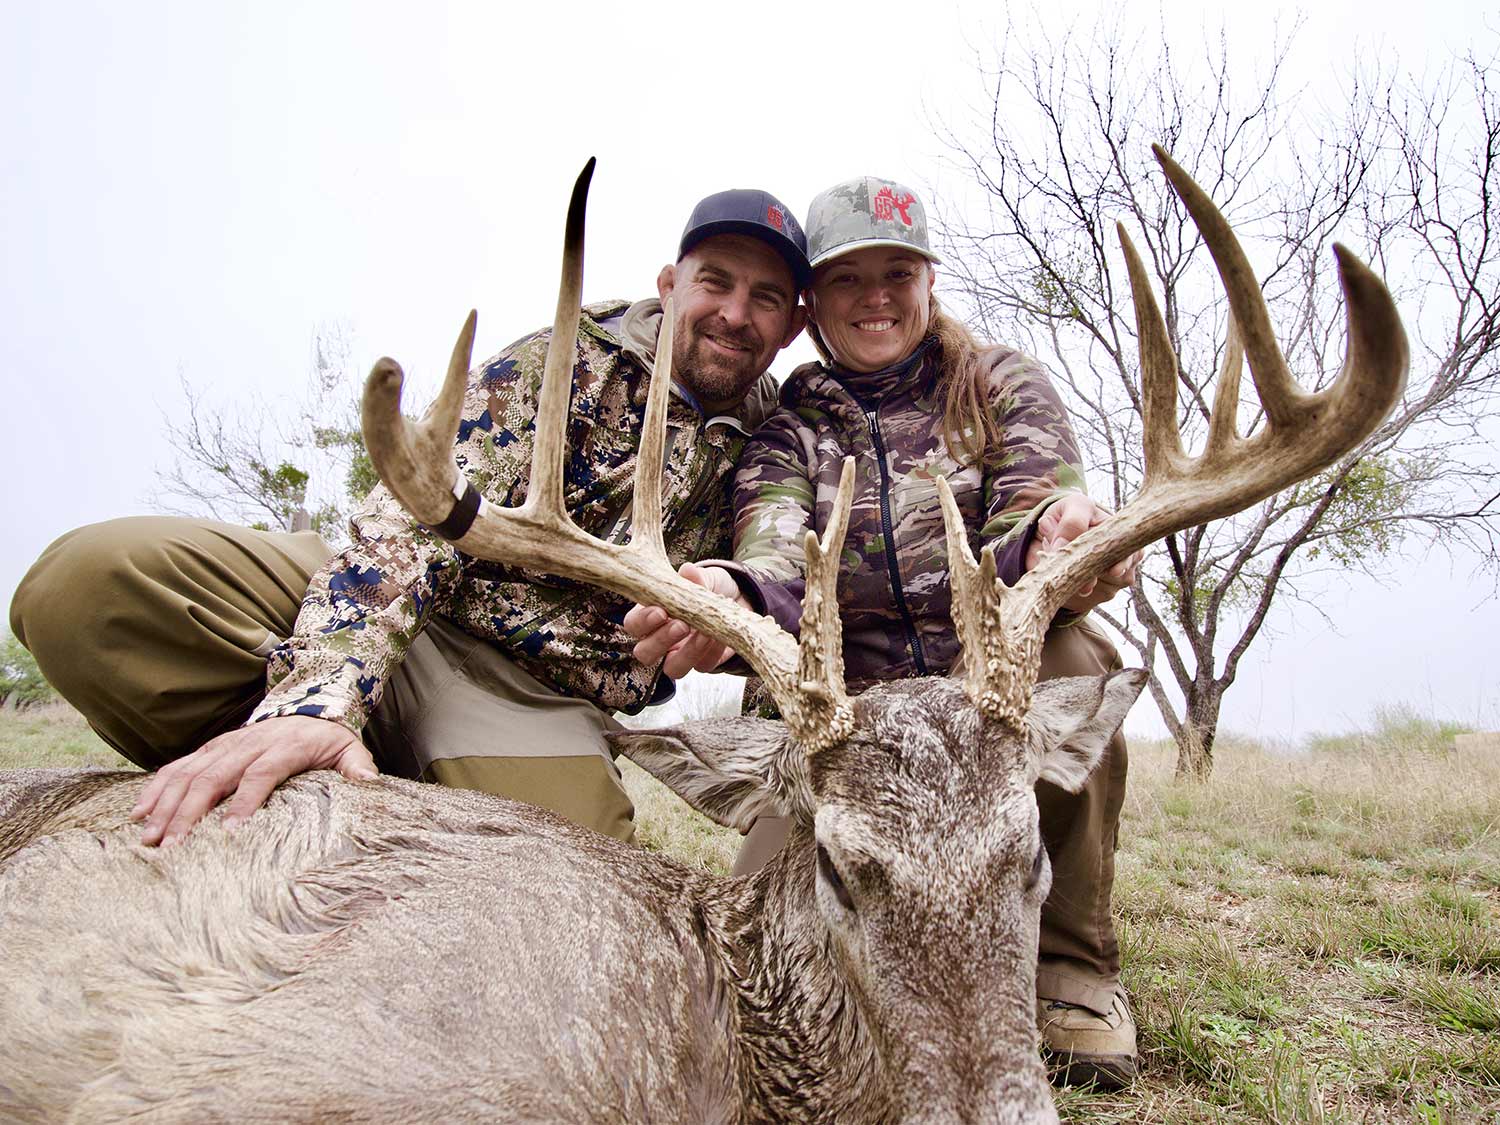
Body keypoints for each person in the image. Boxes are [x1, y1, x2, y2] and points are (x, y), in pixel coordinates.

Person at [10, 186, 810, 849]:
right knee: (85, 588)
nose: (735, 313)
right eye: (716, 282)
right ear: (671, 284)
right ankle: (297, 738)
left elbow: (775, 587)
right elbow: (417, 517)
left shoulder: (780, 446)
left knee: (567, 865)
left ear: (792, 327)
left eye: (765, 297)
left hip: (528, 695)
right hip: (401, 601)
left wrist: (728, 611)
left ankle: (390, 778)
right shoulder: (566, 361)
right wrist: (317, 698)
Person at [625, 175, 1142, 1088]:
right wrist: (726, 589)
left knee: (1074, 655)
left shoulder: (995, 383)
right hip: (846, 725)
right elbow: (776, 554)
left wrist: (1063, 538)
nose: (875, 297)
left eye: (896, 272)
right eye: (847, 278)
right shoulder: (790, 425)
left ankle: (1070, 968)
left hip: (974, 704)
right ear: (814, 304)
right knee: (763, 959)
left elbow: (1036, 511)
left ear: (927, 282)